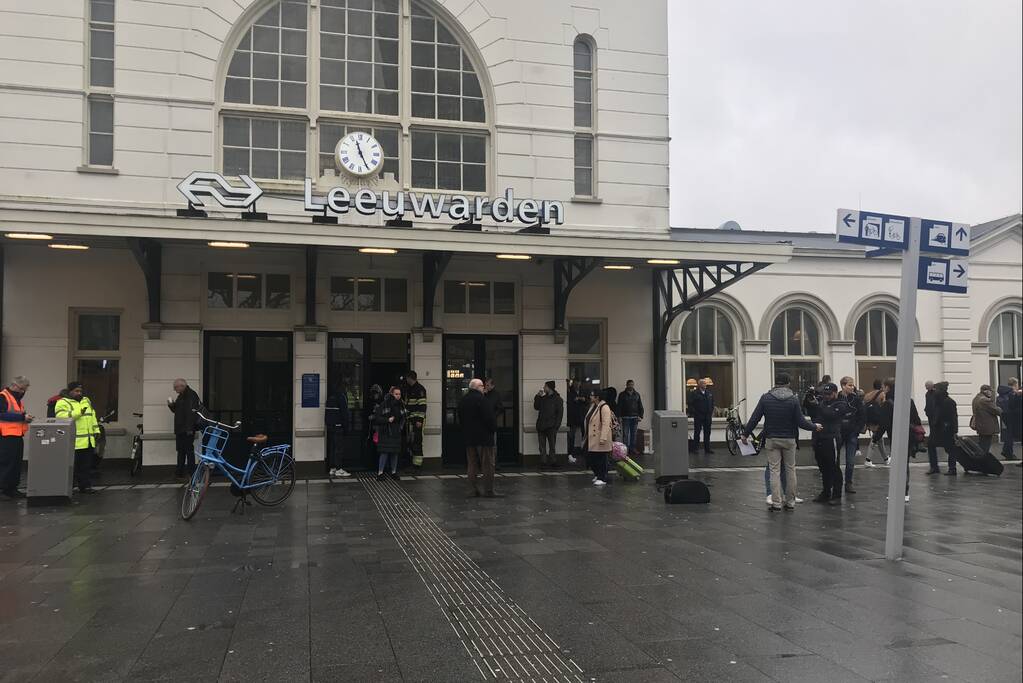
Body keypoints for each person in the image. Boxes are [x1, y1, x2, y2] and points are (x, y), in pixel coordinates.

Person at [744, 372, 821, 512]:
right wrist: (814, 426)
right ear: (788, 383)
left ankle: (776, 503)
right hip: (789, 439)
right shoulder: (793, 399)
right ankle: (790, 502)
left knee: (774, 470)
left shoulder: (766, 398)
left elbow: (754, 418)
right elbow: (801, 422)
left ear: (775, 382)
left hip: (772, 439)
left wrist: (745, 434)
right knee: (790, 470)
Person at [808, 382, 854, 505]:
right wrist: (809, 403)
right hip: (819, 438)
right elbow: (813, 416)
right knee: (823, 467)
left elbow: (830, 415)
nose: (826, 396)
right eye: (824, 394)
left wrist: (818, 406)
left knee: (833, 466)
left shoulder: (840, 404)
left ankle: (837, 494)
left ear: (834, 393)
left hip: (831, 438)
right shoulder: (822, 403)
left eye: (829, 394)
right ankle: (826, 491)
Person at [878, 378, 922, 501]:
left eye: (884, 387)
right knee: (904, 464)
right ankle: (905, 492)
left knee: (897, 466)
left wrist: (876, 438)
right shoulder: (909, 400)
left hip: (895, 437)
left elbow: (884, 423)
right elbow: (917, 420)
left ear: (888, 388)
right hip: (908, 436)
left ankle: (898, 492)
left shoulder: (888, 403)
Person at [54, 381, 100, 494]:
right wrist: (78, 412)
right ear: (70, 391)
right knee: (73, 466)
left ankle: (85, 486)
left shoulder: (86, 400)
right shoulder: (62, 402)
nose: (79, 393)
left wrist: (96, 430)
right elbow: (60, 417)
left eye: (80, 391)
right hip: (73, 440)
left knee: (86, 465)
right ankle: (70, 487)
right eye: (76, 391)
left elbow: (92, 416)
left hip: (88, 440)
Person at [459, 378, 499, 497]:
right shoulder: (483, 400)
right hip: (484, 438)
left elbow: (460, 418)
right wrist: (493, 430)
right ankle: (488, 490)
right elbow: (489, 418)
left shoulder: (463, 400)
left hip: (469, 438)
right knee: (487, 464)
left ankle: (473, 489)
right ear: (477, 387)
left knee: (472, 464)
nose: (484, 388)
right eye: (482, 386)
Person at [0, 376, 33, 499]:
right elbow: (2, 414)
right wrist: (22, 418)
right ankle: (4, 490)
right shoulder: (3, 396)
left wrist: (25, 418)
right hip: (6, 436)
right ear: (14, 385)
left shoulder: (16, 398)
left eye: (24, 390)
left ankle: (12, 488)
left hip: (17, 435)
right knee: (7, 463)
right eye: (21, 389)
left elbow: (16, 413)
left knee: (15, 463)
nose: (22, 392)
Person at [167, 378, 202, 478]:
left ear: (181, 386)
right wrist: (171, 405)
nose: (175, 389)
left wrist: (190, 429)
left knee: (188, 451)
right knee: (181, 451)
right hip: (181, 429)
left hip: (186, 429)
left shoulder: (190, 395)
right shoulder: (182, 396)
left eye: (175, 387)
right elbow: (177, 411)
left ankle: (191, 473)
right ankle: (179, 472)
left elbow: (191, 413)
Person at [373, 386, 406, 481]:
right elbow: (377, 417)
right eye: (396, 394)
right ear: (392, 394)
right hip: (385, 431)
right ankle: (380, 473)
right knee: (384, 452)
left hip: (396, 432)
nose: (398, 396)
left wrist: (400, 427)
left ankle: (394, 472)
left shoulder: (401, 404)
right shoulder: (384, 404)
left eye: (399, 394)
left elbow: (404, 417)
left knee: (394, 453)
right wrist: (387, 420)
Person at [838, 377, 865, 493]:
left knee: (850, 461)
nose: (852, 387)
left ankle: (848, 482)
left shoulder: (856, 399)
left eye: (852, 385)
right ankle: (837, 482)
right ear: (843, 386)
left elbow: (862, 415)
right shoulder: (836, 398)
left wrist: (857, 429)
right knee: (835, 459)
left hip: (851, 433)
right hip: (838, 433)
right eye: (849, 385)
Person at [584, 388, 614, 487]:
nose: (590, 397)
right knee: (591, 458)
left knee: (601, 458)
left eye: (592, 395)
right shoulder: (593, 406)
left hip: (600, 437)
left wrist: (603, 438)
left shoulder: (604, 407)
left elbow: (606, 424)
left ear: (597, 397)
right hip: (591, 437)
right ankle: (598, 474)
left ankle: (602, 477)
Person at [928, 381, 959, 476]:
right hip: (937, 428)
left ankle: (952, 468)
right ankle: (934, 467)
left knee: (950, 449)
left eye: (936, 389)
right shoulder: (937, 400)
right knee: (930, 445)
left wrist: (954, 430)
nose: (935, 391)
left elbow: (953, 417)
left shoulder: (949, 402)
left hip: (946, 429)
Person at [533, 380, 564, 468]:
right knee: (542, 446)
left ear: (549, 388)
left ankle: (553, 461)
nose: (543, 388)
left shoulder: (558, 399)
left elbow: (560, 414)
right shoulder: (543, 398)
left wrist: (556, 426)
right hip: (541, 425)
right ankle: (543, 462)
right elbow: (536, 407)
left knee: (552, 446)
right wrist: (537, 396)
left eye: (545, 386)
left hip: (551, 426)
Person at [325, 381, 351, 478]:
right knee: (339, 448)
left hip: (330, 426)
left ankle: (333, 468)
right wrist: (346, 428)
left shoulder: (331, 397)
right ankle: (339, 469)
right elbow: (345, 414)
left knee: (332, 447)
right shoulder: (341, 397)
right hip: (338, 426)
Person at [862, 379, 889, 467]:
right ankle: (868, 460)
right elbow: (885, 406)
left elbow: (864, 407)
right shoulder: (882, 394)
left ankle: (886, 459)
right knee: (875, 439)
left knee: (879, 439)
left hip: (870, 420)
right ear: (881, 386)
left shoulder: (867, 395)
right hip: (878, 420)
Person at [404, 371, 427, 471]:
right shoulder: (410, 389)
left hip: (417, 420)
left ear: (410, 378)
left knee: (417, 441)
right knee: (411, 441)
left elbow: (422, 406)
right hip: (411, 419)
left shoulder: (420, 389)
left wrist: (419, 420)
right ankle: (413, 463)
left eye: (407, 378)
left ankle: (417, 465)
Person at [971, 384, 1002, 456]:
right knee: (985, 446)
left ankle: (979, 459)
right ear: (986, 391)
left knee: (981, 444)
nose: (991, 393)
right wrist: (1000, 408)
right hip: (987, 426)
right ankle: (982, 461)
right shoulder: (985, 400)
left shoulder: (976, 398)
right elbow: (997, 410)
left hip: (980, 425)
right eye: (990, 391)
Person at [617, 380, 644, 456]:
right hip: (625, 417)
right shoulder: (622, 395)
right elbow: (619, 406)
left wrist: (641, 416)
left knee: (634, 434)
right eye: (629, 384)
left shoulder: (637, 394)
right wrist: (619, 416)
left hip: (635, 417)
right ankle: (625, 450)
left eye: (632, 384)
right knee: (625, 435)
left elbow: (640, 406)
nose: (631, 386)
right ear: (626, 385)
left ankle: (632, 449)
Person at [689, 378, 714, 455]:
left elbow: (712, 403)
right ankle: (695, 448)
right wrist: (695, 412)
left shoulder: (709, 393)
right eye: (703, 383)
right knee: (697, 432)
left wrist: (711, 411)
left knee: (707, 432)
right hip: (698, 416)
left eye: (705, 383)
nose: (705, 385)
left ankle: (707, 449)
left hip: (707, 416)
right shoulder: (695, 393)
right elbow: (690, 404)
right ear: (699, 385)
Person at [998, 378, 1021, 460]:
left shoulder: (1003, 392)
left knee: (1009, 433)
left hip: (1005, 414)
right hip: (1012, 415)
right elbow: (1013, 405)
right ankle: (1008, 452)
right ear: (1015, 384)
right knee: (1010, 434)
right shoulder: (1012, 392)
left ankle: (1007, 451)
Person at [566, 378, 588, 464]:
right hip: (573, 416)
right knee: (571, 436)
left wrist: (584, 399)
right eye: (575, 383)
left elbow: (588, 401)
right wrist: (574, 400)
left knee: (585, 434)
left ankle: (585, 452)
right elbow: (568, 400)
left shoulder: (583, 391)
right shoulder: (570, 391)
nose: (577, 385)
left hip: (582, 415)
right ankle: (570, 453)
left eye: (578, 383)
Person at [924, 380, 941, 474]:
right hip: (932, 422)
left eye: (927, 386)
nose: (926, 388)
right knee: (931, 444)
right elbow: (928, 406)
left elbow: (936, 407)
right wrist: (927, 412)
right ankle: (934, 467)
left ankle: (935, 467)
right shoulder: (927, 394)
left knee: (931, 444)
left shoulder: (936, 394)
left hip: (936, 423)